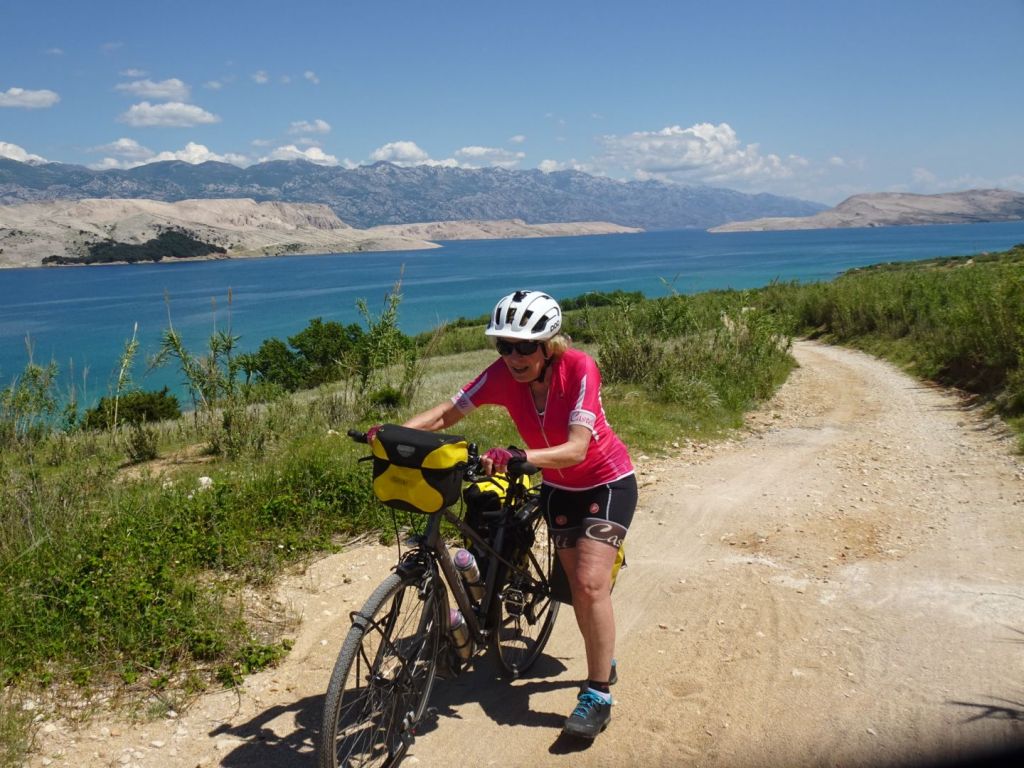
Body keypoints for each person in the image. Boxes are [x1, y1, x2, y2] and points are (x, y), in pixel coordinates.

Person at [397, 289, 637, 740]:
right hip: (558, 490)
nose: (513, 356)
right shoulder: (501, 375)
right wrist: (393, 434)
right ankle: (601, 656)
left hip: (606, 484)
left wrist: (519, 455)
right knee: (574, 588)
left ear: (548, 346)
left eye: (524, 346)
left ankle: (598, 693)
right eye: (504, 346)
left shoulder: (579, 368)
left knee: (589, 584)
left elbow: (577, 449)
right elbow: (447, 414)